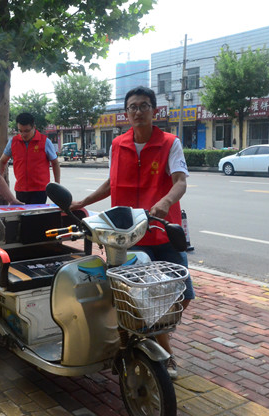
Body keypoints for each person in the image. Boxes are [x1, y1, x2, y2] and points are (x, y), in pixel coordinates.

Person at [71, 86, 194, 380]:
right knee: (137, 299)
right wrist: (84, 202)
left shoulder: (169, 143)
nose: (137, 111)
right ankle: (160, 354)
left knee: (183, 293)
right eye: (132, 107)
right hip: (129, 238)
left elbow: (180, 182)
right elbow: (111, 184)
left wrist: (165, 202)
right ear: (127, 113)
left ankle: (144, 339)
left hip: (163, 231)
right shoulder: (118, 145)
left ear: (154, 110)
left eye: (143, 106)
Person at [0, 112, 61, 204]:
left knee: (35, 217)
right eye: (20, 131)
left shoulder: (45, 142)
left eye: (27, 131)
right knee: (22, 217)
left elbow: (55, 163)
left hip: (40, 190)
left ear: (34, 127)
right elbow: (2, 161)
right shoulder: (13, 142)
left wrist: (57, 185)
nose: (23, 134)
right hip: (20, 190)